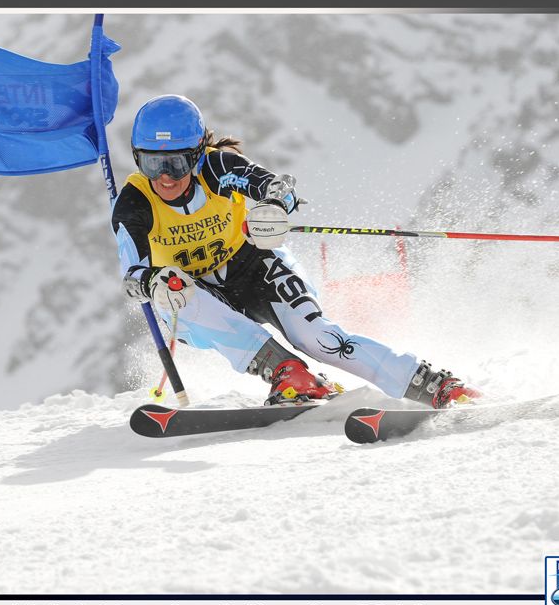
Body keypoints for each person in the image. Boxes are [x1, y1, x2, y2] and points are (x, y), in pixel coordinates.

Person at [113, 94, 479, 408]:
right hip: (197, 294)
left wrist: (273, 207)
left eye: (176, 163)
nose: (165, 177)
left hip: (254, 267)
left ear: (196, 156)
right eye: (152, 163)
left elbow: (276, 186)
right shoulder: (134, 202)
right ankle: (289, 373)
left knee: (317, 338)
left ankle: (429, 383)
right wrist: (151, 283)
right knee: (176, 291)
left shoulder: (218, 168)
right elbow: (133, 277)